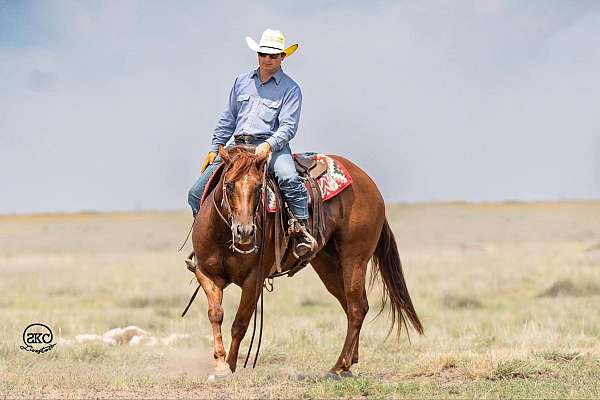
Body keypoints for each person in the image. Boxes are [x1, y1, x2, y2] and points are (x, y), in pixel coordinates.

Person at [186, 29, 315, 269]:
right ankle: (205, 244)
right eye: (264, 54)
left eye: (273, 55)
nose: (268, 59)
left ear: (282, 58)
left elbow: (288, 126)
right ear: (258, 54)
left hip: (272, 146)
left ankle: (301, 230)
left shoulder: (291, 89)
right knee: (195, 193)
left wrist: (269, 145)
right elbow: (228, 118)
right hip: (238, 146)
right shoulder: (241, 82)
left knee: (288, 177)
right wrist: (216, 147)